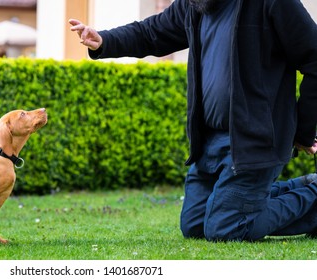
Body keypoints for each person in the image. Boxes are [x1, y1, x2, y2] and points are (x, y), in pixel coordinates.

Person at [69, 0, 317, 241]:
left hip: (255, 142)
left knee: (225, 228)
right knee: (195, 225)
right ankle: (290, 192)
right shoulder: (195, 5)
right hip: (209, 143)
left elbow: (314, 60)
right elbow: (151, 32)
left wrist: (301, 131)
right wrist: (104, 40)